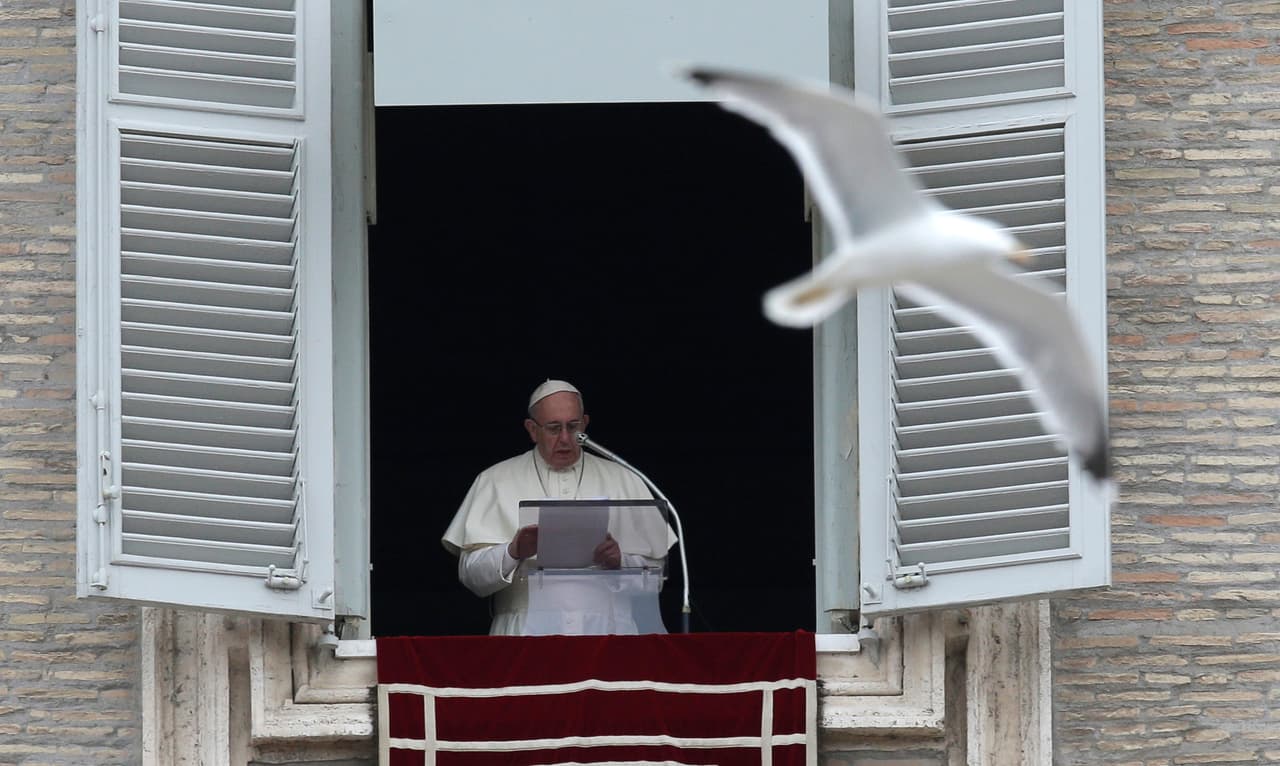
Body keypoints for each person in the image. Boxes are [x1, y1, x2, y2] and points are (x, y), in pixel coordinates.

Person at [441, 380, 673, 635]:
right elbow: (471, 576)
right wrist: (513, 551)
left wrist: (621, 561)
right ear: (532, 429)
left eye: (573, 427)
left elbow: (658, 576)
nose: (565, 438)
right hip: (525, 635)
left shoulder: (625, 478)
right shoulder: (495, 480)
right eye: (553, 428)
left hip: (611, 633)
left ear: (584, 423)